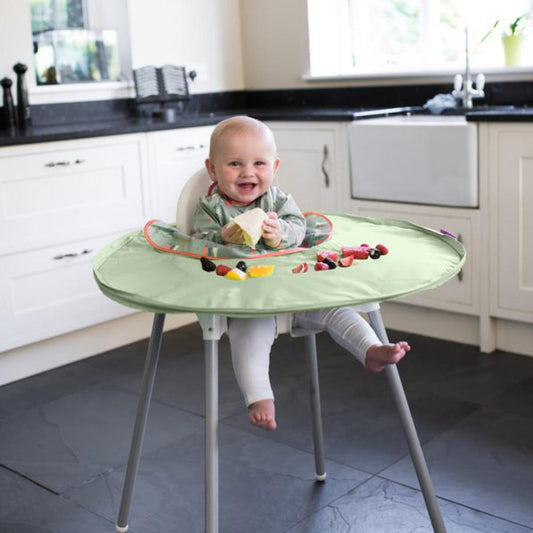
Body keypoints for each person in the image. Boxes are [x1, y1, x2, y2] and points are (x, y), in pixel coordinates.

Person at [191, 116, 410, 430]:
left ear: (274, 166)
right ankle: (259, 396)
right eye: (235, 163)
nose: (248, 172)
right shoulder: (211, 208)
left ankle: (371, 349)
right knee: (248, 333)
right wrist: (221, 238)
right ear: (212, 169)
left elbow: (300, 227)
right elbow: (199, 245)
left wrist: (282, 233)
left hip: (296, 290)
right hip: (249, 302)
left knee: (337, 306)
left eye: (259, 163)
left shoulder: (278, 201)